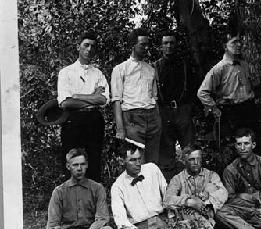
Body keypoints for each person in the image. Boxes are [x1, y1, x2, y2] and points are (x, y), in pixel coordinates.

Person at [34, 148, 113, 229]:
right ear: (68, 167)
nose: (79, 169)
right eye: (75, 165)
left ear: (87, 165)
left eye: (82, 164)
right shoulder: (59, 192)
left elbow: (102, 219)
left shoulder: (97, 188)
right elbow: (53, 225)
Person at [57, 31, 109, 182]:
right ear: (78, 47)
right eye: (86, 45)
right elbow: (65, 102)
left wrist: (78, 96)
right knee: (72, 160)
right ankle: (71, 199)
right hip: (73, 120)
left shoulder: (98, 74)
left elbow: (104, 100)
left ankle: (91, 199)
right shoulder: (66, 72)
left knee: (93, 161)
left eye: (93, 46)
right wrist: (93, 97)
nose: (89, 49)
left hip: (94, 120)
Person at [197, 32, 260, 143]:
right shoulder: (219, 68)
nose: (239, 45)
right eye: (234, 42)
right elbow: (202, 92)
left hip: (248, 110)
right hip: (230, 113)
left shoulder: (244, 65)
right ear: (225, 46)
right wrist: (214, 108)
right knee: (232, 147)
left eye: (239, 42)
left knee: (249, 145)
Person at [216, 128, 261, 229]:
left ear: (253, 145)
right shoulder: (230, 170)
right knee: (220, 212)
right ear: (235, 146)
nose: (242, 148)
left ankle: (239, 227)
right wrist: (252, 199)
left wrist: (247, 196)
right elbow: (230, 198)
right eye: (239, 144)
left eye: (246, 144)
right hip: (241, 209)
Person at [111, 28, 161, 164]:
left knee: (152, 164)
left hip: (152, 118)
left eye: (147, 44)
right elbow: (116, 100)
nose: (146, 48)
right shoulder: (120, 69)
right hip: (132, 118)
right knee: (136, 162)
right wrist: (120, 129)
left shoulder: (151, 69)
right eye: (142, 44)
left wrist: (157, 120)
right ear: (133, 45)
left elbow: (154, 98)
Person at [111, 141, 169, 229]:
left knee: (182, 227)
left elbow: (167, 194)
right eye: (133, 160)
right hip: (139, 227)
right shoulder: (117, 186)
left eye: (139, 159)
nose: (138, 163)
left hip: (161, 221)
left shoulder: (152, 169)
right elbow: (121, 220)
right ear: (122, 162)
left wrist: (171, 218)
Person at [154, 32, 198, 177]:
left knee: (190, 149)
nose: (169, 46)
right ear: (161, 46)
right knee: (166, 152)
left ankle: (194, 183)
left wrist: (190, 108)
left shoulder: (185, 65)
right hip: (164, 111)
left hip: (183, 110)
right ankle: (170, 186)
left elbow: (194, 87)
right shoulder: (155, 67)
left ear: (176, 44)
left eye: (172, 42)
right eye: (165, 43)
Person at [165, 144, 227, 229]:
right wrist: (190, 202)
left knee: (211, 187)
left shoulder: (211, 175)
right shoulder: (177, 179)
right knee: (186, 211)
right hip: (188, 216)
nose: (196, 163)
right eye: (191, 159)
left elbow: (223, 192)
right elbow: (167, 200)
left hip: (209, 211)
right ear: (184, 161)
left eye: (198, 159)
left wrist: (205, 201)